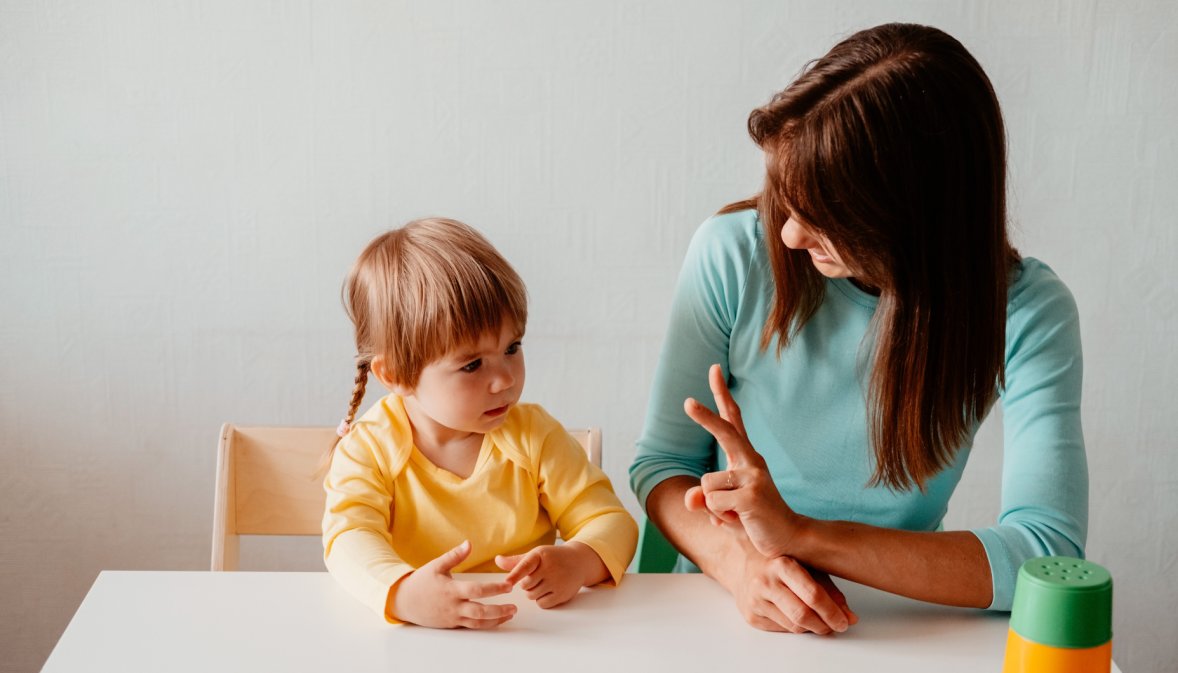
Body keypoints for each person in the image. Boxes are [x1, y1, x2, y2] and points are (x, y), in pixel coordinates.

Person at [630, 23, 1087, 635]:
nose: (789, 234)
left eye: (822, 216)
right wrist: (743, 568)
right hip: (723, 617)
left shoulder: (1027, 313)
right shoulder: (731, 255)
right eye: (786, 201)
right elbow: (662, 465)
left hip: (898, 625)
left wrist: (802, 537)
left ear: (909, 220)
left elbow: (1048, 556)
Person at [324, 218, 638, 628]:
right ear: (396, 374)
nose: (505, 379)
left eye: (512, 347)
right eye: (472, 365)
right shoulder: (371, 448)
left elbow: (612, 521)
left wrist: (579, 561)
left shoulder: (535, 435)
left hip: (527, 633)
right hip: (417, 642)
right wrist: (402, 593)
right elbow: (347, 539)